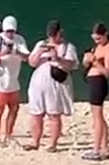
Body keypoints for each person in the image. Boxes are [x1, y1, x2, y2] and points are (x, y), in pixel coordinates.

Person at [25, 20, 78, 152]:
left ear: (60, 32)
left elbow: (72, 65)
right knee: (36, 113)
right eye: (51, 35)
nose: (52, 38)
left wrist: (57, 58)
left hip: (56, 83)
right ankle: (35, 141)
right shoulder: (40, 44)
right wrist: (40, 52)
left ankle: (52, 143)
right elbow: (31, 62)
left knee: (54, 114)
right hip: (38, 82)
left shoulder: (68, 47)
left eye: (55, 34)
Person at [0, 15, 29, 144]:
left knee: (14, 108)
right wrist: (2, 53)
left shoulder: (19, 40)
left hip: (13, 82)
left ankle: (9, 133)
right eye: (8, 31)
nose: (10, 34)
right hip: (0, 82)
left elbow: (26, 57)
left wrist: (16, 52)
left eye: (12, 31)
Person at [82, 23, 109, 161]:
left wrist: (95, 62)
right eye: (95, 39)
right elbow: (87, 64)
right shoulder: (98, 47)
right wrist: (87, 60)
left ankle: (96, 149)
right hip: (92, 81)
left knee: (97, 117)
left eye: (99, 38)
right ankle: (105, 148)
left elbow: (108, 72)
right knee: (98, 117)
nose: (96, 41)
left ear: (105, 35)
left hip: (99, 82)